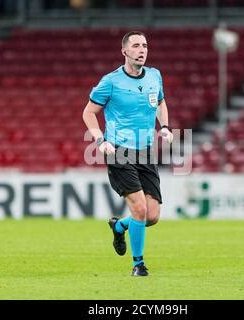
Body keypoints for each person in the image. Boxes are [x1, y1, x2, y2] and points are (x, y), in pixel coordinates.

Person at [82, 31, 173, 276]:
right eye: (136, 45)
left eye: (145, 45)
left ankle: (119, 226)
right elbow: (88, 113)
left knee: (152, 216)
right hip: (119, 151)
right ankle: (138, 264)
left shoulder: (155, 76)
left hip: (145, 152)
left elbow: (161, 102)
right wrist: (100, 140)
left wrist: (164, 126)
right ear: (124, 51)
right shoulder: (110, 82)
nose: (142, 49)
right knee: (140, 209)